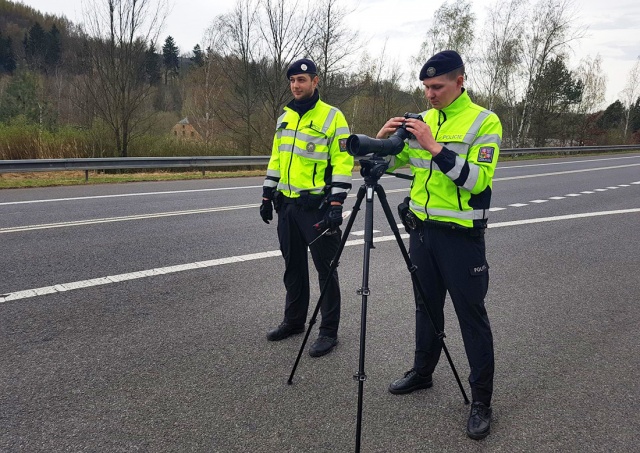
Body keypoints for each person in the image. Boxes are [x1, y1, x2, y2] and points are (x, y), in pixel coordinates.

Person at [377, 50, 501, 440]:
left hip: (461, 239)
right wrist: (381, 143)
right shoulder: (423, 121)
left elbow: (477, 181)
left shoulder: (484, 121)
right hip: (423, 232)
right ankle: (423, 372)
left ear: (459, 81)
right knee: (425, 308)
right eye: (425, 88)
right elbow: (400, 169)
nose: (429, 94)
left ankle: (481, 400)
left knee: (471, 316)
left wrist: (435, 146)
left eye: (437, 86)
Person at [260, 58, 354, 357]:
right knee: (293, 268)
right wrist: (266, 193)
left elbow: (343, 161)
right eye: (292, 81)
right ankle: (294, 321)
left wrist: (337, 202)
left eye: (302, 80)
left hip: (317, 206)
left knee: (326, 270)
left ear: (315, 81)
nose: (296, 85)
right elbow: (277, 157)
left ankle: (328, 331)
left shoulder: (332, 117)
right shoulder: (285, 116)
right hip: (287, 206)